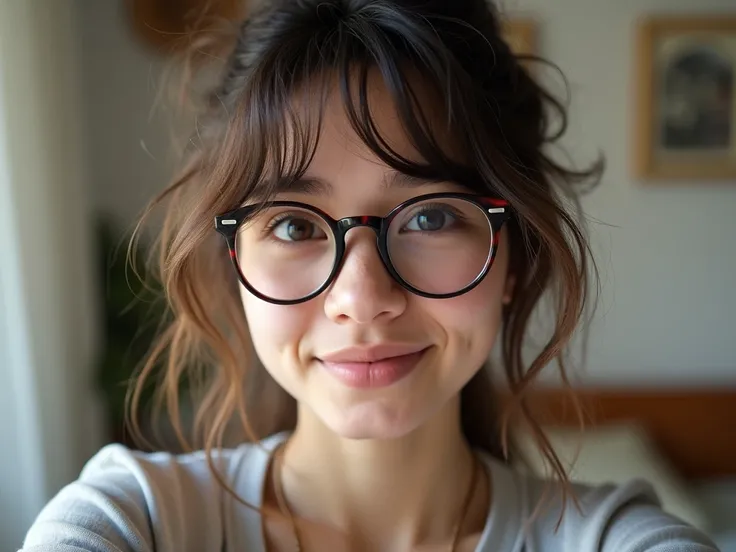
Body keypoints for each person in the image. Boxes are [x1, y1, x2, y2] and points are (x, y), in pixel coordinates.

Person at [20, 1, 718, 551]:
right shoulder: (136, 520)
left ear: (513, 257)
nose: (360, 299)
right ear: (235, 262)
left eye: (431, 218)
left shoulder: (607, 538)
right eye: (293, 225)